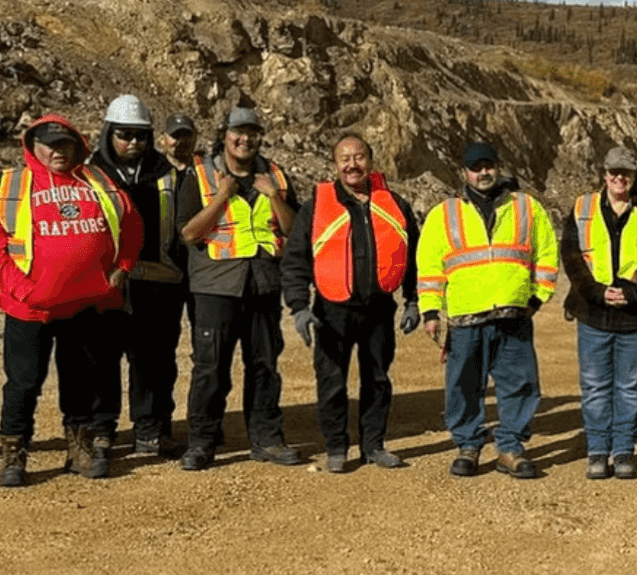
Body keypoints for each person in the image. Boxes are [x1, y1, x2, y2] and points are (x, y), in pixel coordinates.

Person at [0, 114, 141, 487]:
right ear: (33, 147)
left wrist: (123, 267)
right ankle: (14, 452)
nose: (57, 152)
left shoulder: (98, 182)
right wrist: (21, 288)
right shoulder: (13, 186)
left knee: (79, 378)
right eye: (48, 144)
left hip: (85, 303)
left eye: (64, 144)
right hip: (29, 307)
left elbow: (130, 225)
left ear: (78, 146)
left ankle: (78, 447)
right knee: (23, 382)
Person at [417, 141, 558, 478]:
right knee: (463, 385)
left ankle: (510, 449)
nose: (483, 173)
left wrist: (537, 298)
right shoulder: (445, 214)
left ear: (498, 166)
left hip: (513, 314)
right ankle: (468, 445)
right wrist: (431, 311)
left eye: (489, 166)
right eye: (476, 167)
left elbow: (546, 254)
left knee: (520, 383)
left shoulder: (526, 207)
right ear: (464, 172)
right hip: (466, 316)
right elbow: (429, 266)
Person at [283, 133, 421, 473]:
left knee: (377, 379)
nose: (351, 165)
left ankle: (373, 445)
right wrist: (299, 306)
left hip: (378, 309)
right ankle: (336, 447)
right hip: (331, 310)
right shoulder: (316, 205)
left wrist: (414, 301)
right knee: (331, 381)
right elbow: (296, 258)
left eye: (358, 157)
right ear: (335, 165)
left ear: (370, 161)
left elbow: (414, 257)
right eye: (344, 158)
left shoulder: (396, 204)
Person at [176, 107, 303, 470]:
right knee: (210, 368)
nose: (244, 139)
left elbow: (294, 230)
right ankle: (202, 442)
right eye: (237, 132)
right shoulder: (200, 177)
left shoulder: (275, 175)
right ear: (225, 135)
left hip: (262, 284)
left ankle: (267, 439)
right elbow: (187, 233)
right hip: (216, 286)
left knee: (264, 366)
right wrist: (221, 197)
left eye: (252, 133)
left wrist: (275, 197)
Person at [561, 145, 637, 480]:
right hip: (593, 313)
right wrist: (596, 292)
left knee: (629, 386)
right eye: (613, 172)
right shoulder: (582, 208)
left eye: (626, 172)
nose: (619, 178)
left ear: (636, 175)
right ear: (604, 174)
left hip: (636, 315)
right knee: (595, 386)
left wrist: (635, 293)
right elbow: (572, 257)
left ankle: (623, 450)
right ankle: (597, 451)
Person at [91, 96, 188, 456]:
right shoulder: (89, 175)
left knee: (155, 361)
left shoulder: (168, 174)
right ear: (108, 134)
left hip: (158, 285)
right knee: (101, 358)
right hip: (106, 285)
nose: (133, 142)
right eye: (124, 134)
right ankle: (101, 428)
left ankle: (151, 428)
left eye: (140, 136)